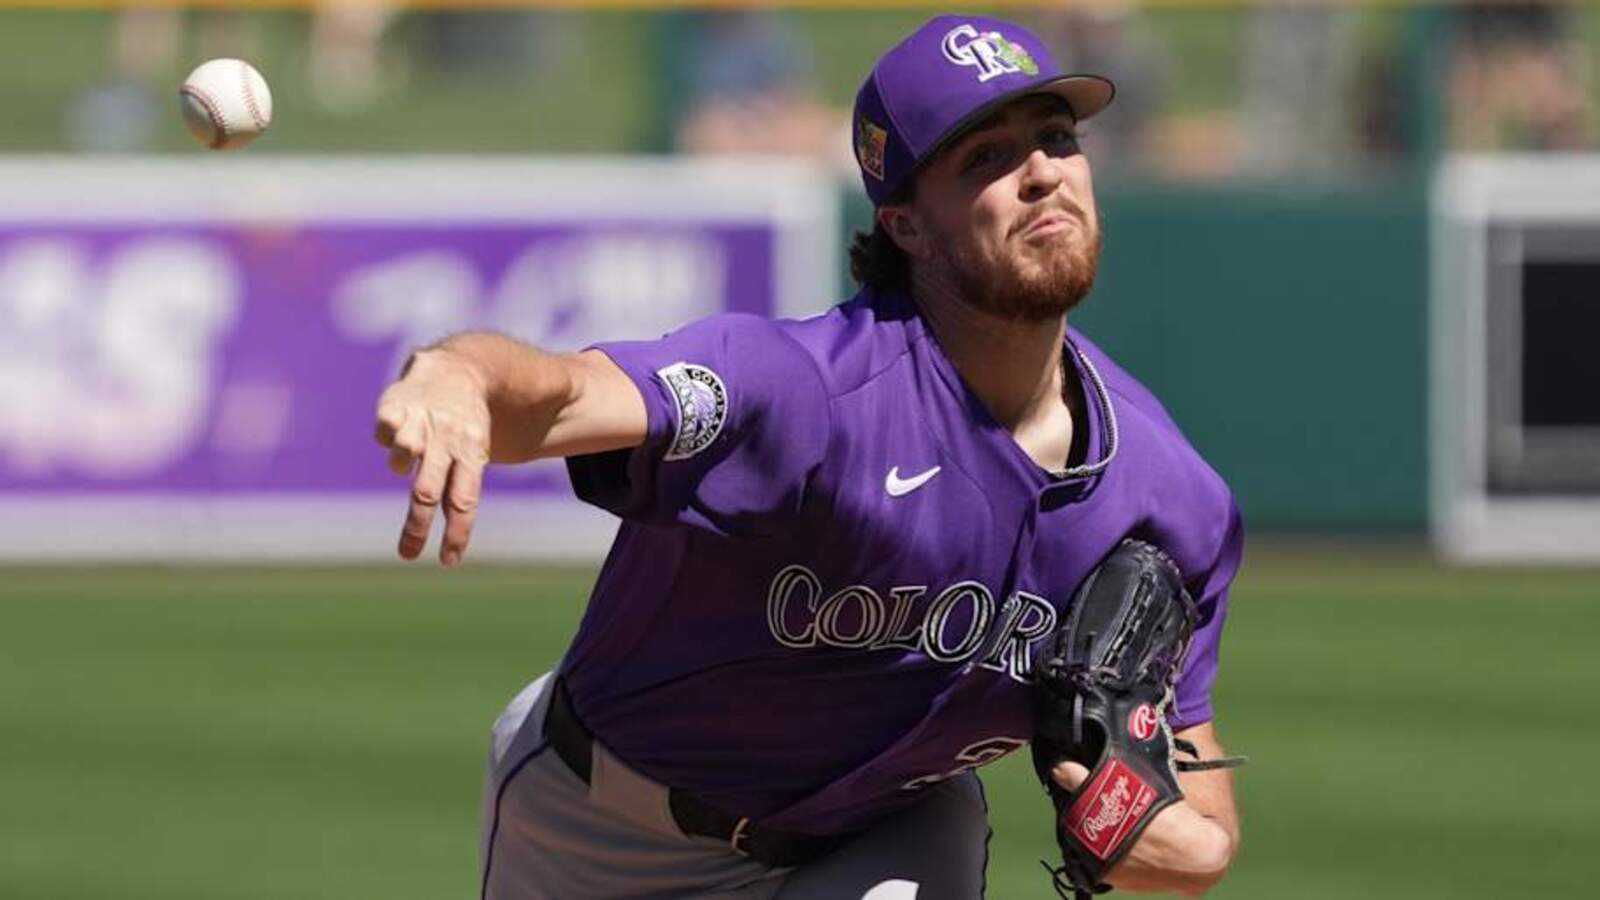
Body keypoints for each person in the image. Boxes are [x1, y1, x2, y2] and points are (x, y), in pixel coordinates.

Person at [374, 14, 1242, 899]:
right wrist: (461, 371)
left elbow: (1199, 792)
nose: (1043, 173)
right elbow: (567, 395)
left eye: (1057, 139)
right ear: (906, 224)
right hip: (601, 828)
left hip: (882, 836)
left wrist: (1190, 846)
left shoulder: (1171, 498)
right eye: (987, 156)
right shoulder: (808, 394)